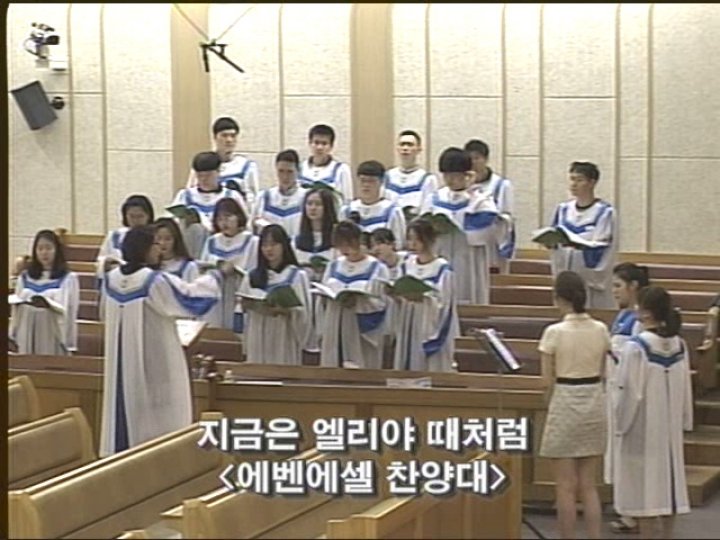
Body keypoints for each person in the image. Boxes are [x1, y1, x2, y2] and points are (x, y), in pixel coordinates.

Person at [100, 226, 232, 457]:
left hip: (121, 363)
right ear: (143, 249)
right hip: (155, 359)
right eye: (154, 244)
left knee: (127, 412)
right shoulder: (152, 281)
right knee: (158, 416)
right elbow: (190, 297)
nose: (159, 249)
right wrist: (217, 275)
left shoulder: (111, 279)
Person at [614, 287, 693, 539]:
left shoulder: (637, 348)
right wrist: (684, 419)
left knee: (644, 487)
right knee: (668, 484)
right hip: (669, 427)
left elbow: (628, 391)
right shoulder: (679, 345)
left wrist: (619, 424)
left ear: (646, 312)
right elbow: (686, 388)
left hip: (642, 427)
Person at [538, 271, 610, 540]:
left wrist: (549, 404)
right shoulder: (601, 329)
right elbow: (604, 370)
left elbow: (546, 381)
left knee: (565, 486)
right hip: (593, 399)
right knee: (589, 485)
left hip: (565, 400)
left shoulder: (554, 332)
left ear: (558, 297)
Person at [419, 147, 500, 305]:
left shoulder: (480, 199)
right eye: (446, 175)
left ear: (466, 174)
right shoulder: (435, 198)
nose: (450, 180)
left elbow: (488, 230)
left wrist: (461, 220)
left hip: (467, 258)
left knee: (467, 295)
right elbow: (422, 226)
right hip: (440, 253)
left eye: (455, 175)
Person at [605, 263, 650, 534]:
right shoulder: (622, 316)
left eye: (618, 286)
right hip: (613, 389)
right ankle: (625, 508)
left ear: (634, 287)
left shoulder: (640, 321)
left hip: (631, 394)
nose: (614, 291)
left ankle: (636, 512)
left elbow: (635, 359)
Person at [318, 221, 390, 369]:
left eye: (348, 244)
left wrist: (358, 301)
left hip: (361, 329)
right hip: (335, 323)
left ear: (358, 240)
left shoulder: (376, 268)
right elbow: (325, 291)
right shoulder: (333, 266)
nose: (344, 249)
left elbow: (382, 302)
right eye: (340, 245)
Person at [548, 161, 618, 309]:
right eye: (572, 179)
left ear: (592, 182)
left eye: (579, 180)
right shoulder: (563, 209)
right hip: (566, 271)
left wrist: (580, 246)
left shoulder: (605, 212)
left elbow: (605, 246)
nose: (574, 184)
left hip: (588, 277)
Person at [238, 225, 311, 366]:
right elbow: (241, 308)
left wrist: (283, 310)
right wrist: (249, 305)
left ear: (284, 245)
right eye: (265, 245)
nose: (269, 249)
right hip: (257, 335)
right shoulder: (252, 276)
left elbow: (304, 313)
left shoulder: (296, 275)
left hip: (284, 335)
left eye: (273, 244)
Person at [393, 219, 458, 372]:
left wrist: (423, 298)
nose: (413, 244)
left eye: (418, 239)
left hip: (428, 323)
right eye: (410, 239)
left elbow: (445, 304)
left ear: (430, 239)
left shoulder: (442, 269)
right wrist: (395, 295)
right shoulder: (406, 265)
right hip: (408, 320)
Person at [9, 229, 80, 355]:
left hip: (51, 333)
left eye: (48, 248)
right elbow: (17, 304)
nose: (44, 253)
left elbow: (70, 311)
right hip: (27, 330)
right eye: (40, 249)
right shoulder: (25, 277)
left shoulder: (68, 278)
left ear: (57, 250)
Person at [171, 151, 249, 259]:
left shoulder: (232, 196)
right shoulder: (185, 195)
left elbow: (245, 224)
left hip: (223, 246)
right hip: (192, 244)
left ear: (218, 172)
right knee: (196, 229)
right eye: (200, 176)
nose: (203, 179)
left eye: (208, 175)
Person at [199, 197, 258, 332]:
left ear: (238, 217)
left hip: (238, 295)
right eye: (219, 219)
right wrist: (217, 265)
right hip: (217, 297)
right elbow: (202, 267)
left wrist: (236, 270)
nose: (224, 222)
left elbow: (254, 271)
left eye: (228, 217)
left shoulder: (252, 241)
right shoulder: (212, 241)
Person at [292, 186, 339, 353]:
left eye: (318, 204)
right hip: (304, 294)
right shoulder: (296, 241)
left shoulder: (336, 240)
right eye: (309, 203)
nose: (312, 208)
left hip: (325, 298)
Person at [464, 139, 515, 274]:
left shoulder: (501, 185)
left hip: (492, 245)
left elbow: (508, 217)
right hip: (467, 244)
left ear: (486, 159)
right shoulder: (462, 185)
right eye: (470, 159)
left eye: (477, 158)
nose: (473, 163)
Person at [186, 116, 260, 207]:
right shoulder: (203, 163)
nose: (229, 140)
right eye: (224, 136)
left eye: (233, 136)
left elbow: (252, 198)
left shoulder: (246, 166)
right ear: (215, 137)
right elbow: (190, 192)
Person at [339, 160, 406, 251]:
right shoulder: (347, 210)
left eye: (371, 181)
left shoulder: (392, 211)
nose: (366, 185)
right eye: (362, 180)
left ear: (381, 182)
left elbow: (399, 245)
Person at [95, 194, 155, 289]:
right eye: (132, 216)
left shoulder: (155, 236)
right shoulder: (115, 236)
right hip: (117, 280)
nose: (136, 220)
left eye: (140, 216)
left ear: (149, 216)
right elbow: (101, 261)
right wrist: (107, 263)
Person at [251, 149, 307, 238]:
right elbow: (253, 227)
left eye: (290, 172)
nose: (285, 177)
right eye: (281, 171)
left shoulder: (306, 198)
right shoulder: (263, 197)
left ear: (298, 171)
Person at [384, 130, 438, 220]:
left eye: (410, 145)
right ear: (397, 148)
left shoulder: (428, 179)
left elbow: (427, 211)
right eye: (402, 144)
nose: (405, 148)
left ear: (419, 149)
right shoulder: (387, 176)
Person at [298, 124, 353, 204]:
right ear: (309, 143)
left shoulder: (341, 169)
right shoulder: (300, 168)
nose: (319, 147)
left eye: (324, 143)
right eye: (316, 143)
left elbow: (347, 201)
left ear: (331, 146)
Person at [153, 218, 200, 282]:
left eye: (167, 239)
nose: (162, 243)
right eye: (158, 238)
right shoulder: (149, 268)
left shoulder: (189, 266)